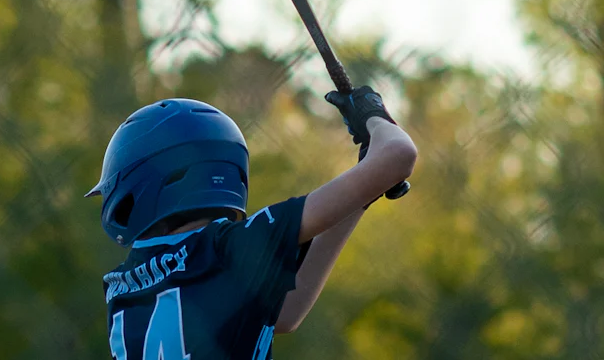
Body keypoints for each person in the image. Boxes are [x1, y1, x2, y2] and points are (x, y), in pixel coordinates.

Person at [85, 86, 417, 359]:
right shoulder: (229, 247)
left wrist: (359, 199)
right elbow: (399, 155)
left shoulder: (123, 284)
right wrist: (374, 114)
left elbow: (285, 312)